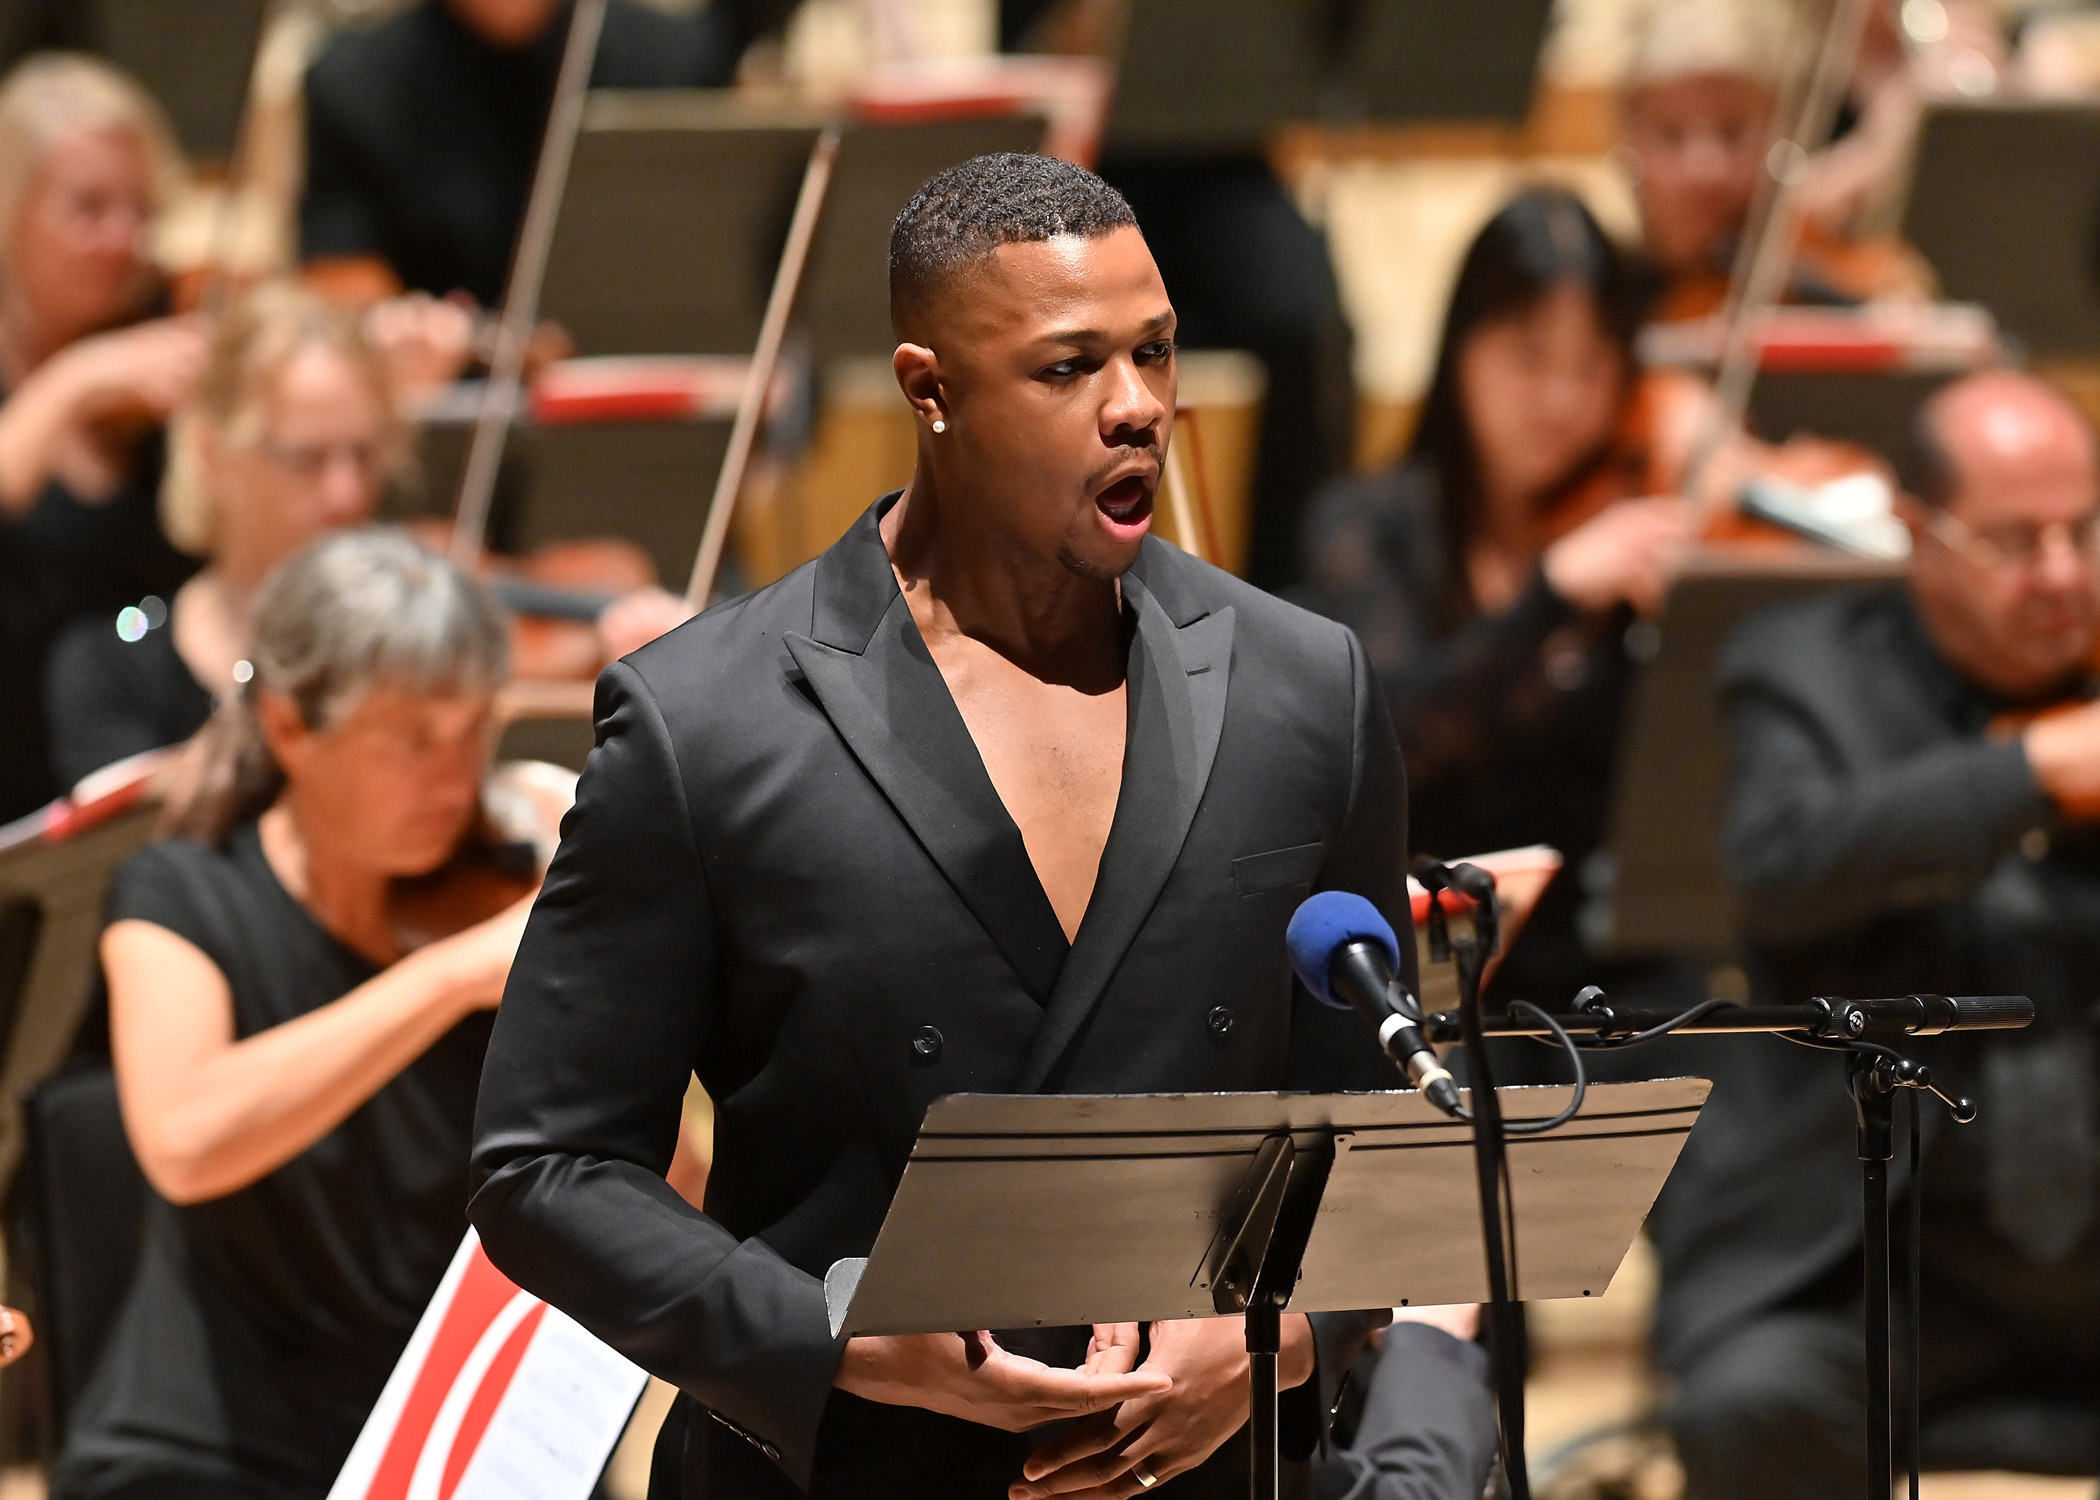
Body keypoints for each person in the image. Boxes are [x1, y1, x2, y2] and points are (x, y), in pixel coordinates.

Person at [469, 152, 1408, 1499]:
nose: (1137, 407)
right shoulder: (708, 721)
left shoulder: (1307, 689)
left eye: (1154, 352)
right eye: (1067, 368)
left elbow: (1369, 1134)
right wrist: (831, 1338)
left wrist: (1286, 1340)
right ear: (931, 392)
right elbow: (546, 1169)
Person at [1655, 368, 2100, 1495]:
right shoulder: (1805, 667)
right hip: (1887, 1270)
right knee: (1749, 1402)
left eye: (2084, 532)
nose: (2062, 574)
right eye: (2015, 542)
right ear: (1918, 531)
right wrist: (2031, 773)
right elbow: (1784, 863)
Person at [51, 529, 538, 1500]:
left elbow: (654, 1194)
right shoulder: (179, 894)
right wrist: (446, 979)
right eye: (411, 741)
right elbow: (186, 1138)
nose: (454, 780)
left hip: (460, 1450)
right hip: (209, 1459)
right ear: (288, 728)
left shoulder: (506, 901)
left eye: (473, 733)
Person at [1294, 188, 1699, 1026]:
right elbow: (1393, 740)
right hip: (1426, 991)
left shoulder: (1637, 520)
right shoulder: (1368, 525)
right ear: (1460, 351)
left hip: (1612, 986)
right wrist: (1549, 599)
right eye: (1527, 355)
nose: (1560, 401)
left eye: (1591, 366)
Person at [44, 282, 399, 789]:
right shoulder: (108, 668)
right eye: (306, 458)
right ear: (212, 455)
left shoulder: (409, 658)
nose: (347, 493)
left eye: (363, 454)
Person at [0, 52, 202, 822]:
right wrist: (73, 381)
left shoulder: (168, 363)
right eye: (88, 208)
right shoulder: (95, 374)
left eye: (139, 210)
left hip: (150, 786)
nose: (122, 240)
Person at [300, 0, 742, 310]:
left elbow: (711, 276)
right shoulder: (352, 81)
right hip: (447, 396)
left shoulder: (678, 56)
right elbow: (344, 283)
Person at [1620, 0, 1934, 325]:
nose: (1705, 169)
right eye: (1671, 135)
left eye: (1733, 133)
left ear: (1782, 133)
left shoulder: (1835, 266)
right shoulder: (1594, 282)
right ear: (1626, 144)